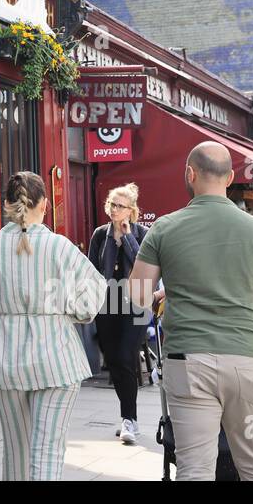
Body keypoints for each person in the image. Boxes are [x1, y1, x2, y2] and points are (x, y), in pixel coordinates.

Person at [127, 142, 253, 481]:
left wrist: (166, 295)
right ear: (231, 177)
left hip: (189, 364)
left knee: (194, 468)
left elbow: (137, 294)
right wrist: (251, 309)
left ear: (190, 174)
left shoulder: (164, 228)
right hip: (247, 363)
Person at [0, 171, 105, 481]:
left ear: (7, 205)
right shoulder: (60, 247)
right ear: (44, 204)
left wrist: (0, 305)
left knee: (15, 449)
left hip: (4, 356)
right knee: (48, 450)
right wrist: (68, 312)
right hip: (56, 358)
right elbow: (92, 298)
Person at [87, 183, 149, 446]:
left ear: (131, 210)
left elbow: (144, 265)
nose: (114, 210)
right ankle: (127, 416)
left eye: (120, 206)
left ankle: (129, 420)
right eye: (112, 204)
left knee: (126, 356)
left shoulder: (142, 233)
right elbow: (91, 269)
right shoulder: (100, 234)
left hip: (135, 303)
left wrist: (128, 238)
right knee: (114, 360)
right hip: (107, 303)